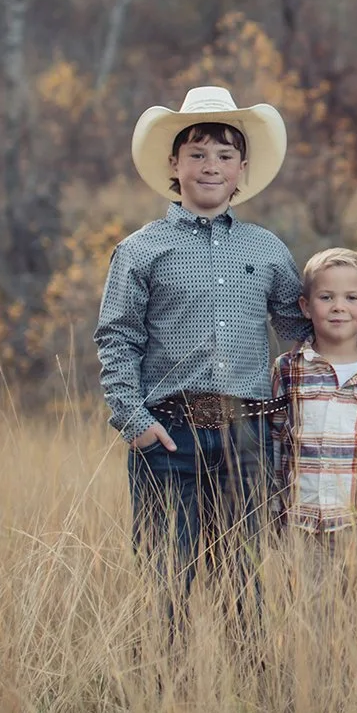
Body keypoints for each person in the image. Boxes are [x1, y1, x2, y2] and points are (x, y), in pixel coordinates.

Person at [95, 85, 304, 640]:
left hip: (249, 433)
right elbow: (117, 340)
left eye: (225, 155)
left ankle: (246, 702)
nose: (211, 166)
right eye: (197, 153)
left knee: (245, 580)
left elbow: (299, 331)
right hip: (169, 433)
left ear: (242, 169)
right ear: (174, 163)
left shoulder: (267, 250)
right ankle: (167, 704)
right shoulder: (141, 250)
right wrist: (135, 423)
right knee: (166, 580)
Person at [267, 247, 357, 545]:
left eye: (351, 298)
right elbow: (276, 444)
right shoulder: (289, 370)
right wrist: (275, 513)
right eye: (326, 297)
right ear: (305, 306)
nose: (338, 306)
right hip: (301, 528)